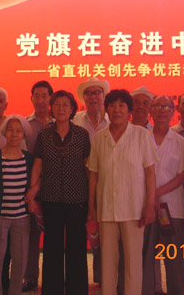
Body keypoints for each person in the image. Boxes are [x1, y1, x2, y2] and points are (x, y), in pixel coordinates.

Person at [87, 89, 156, 295]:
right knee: (107, 260)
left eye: (121, 106)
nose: (116, 110)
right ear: (106, 109)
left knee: (133, 261)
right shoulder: (99, 138)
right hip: (106, 208)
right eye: (112, 105)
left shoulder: (141, 135)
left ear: (129, 110)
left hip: (134, 208)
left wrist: (150, 204)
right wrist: (91, 206)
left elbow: (150, 173)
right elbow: (93, 174)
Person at [26, 90, 90, 295]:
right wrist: (32, 193)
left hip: (77, 199)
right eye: (57, 104)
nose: (61, 108)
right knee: (52, 249)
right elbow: (38, 165)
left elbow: (88, 168)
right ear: (51, 108)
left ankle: (76, 290)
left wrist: (92, 200)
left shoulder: (82, 134)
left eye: (65, 105)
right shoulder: (44, 135)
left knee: (76, 248)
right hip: (51, 199)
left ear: (72, 109)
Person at [141, 95, 184, 295]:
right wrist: (150, 196)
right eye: (157, 106)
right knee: (145, 256)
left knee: (174, 257)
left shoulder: (180, 141)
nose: (162, 110)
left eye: (166, 107)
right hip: (145, 207)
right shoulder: (141, 137)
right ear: (150, 110)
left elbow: (182, 175)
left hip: (172, 208)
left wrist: (157, 192)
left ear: (173, 111)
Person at [0, 115, 33, 295]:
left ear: (24, 134)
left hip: (22, 218)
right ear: (5, 132)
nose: (14, 134)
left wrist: (34, 191)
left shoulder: (29, 159)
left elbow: (37, 180)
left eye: (18, 131)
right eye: (10, 130)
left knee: (20, 260)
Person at [72, 77, 109, 286]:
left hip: (108, 187)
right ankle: (85, 282)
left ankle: (105, 279)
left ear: (104, 96)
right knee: (82, 235)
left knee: (107, 237)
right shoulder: (75, 121)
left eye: (97, 92)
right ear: (83, 98)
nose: (93, 97)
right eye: (88, 93)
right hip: (80, 186)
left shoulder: (114, 120)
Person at [22, 80, 54, 293]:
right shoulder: (25, 125)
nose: (41, 100)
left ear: (51, 98)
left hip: (56, 187)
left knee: (54, 235)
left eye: (45, 96)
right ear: (31, 98)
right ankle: (30, 277)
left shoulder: (61, 122)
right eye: (37, 96)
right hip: (31, 187)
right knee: (31, 236)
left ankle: (52, 279)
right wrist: (32, 189)